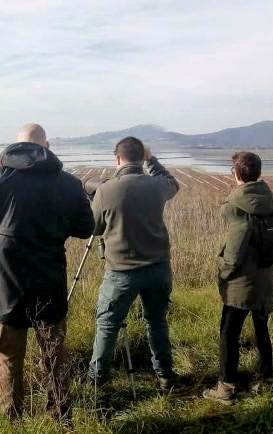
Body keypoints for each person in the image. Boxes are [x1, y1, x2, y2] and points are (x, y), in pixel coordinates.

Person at [0, 124, 94, 419]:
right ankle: (60, 415)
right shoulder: (68, 183)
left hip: (6, 287)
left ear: (16, 147)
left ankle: (11, 417)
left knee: (8, 359)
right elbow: (86, 228)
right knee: (54, 355)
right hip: (49, 283)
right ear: (47, 146)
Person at [88, 136, 179, 390]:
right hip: (158, 268)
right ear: (142, 158)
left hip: (121, 273)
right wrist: (153, 159)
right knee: (157, 321)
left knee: (107, 325)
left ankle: (97, 382)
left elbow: (93, 228)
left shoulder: (106, 191)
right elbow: (172, 182)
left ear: (118, 159)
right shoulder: (157, 185)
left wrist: (96, 200)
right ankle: (165, 376)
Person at [203, 152, 273, 405]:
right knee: (261, 328)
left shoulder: (235, 207)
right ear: (258, 173)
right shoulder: (269, 205)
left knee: (229, 333)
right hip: (265, 283)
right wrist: (266, 261)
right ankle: (265, 378)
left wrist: (222, 273)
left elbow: (233, 254)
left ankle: (226, 387)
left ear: (237, 174)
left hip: (240, 287)